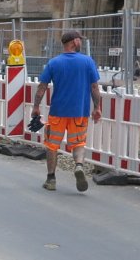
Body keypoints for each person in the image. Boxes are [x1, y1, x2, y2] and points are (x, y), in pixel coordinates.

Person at [32, 29, 102, 192]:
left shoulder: (54, 63)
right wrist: (97, 108)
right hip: (79, 112)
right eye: (80, 40)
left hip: (58, 112)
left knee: (52, 145)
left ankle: (51, 179)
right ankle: (78, 165)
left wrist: (36, 107)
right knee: (78, 143)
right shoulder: (87, 61)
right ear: (74, 42)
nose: (81, 42)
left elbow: (42, 87)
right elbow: (94, 87)